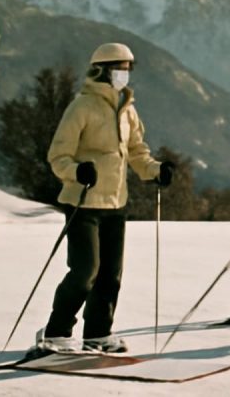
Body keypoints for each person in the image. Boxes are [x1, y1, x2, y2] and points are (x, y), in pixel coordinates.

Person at [38, 42, 175, 354]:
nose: (124, 74)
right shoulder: (82, 107)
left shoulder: (127, 109)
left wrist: (155, 170)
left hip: (115, 203)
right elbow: (58, 155)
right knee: (86, 271)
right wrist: (77, 171)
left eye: (127, 69)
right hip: (83, 202)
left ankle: (98, 332)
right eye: (119, 68)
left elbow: (138, 152)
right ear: (101, 70)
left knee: (110, 275)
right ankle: (56, 333)